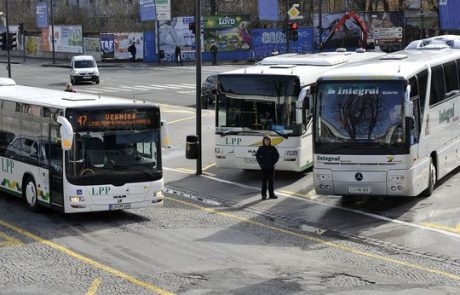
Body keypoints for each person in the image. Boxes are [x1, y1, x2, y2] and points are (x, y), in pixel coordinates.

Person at [255, 135, 279, 200]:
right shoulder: (261, 148)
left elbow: (277, 156)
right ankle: (263, 195)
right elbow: (257, 156)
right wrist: (261, 163)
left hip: (271, 168)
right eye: (265, 140)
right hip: (264, 168)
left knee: (271, 182)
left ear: (269, 141)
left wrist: (273, 162)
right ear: (263, 141)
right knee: (264, 182)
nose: (267, 141)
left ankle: (271, 195)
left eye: (268, 140)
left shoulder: (273, 148)